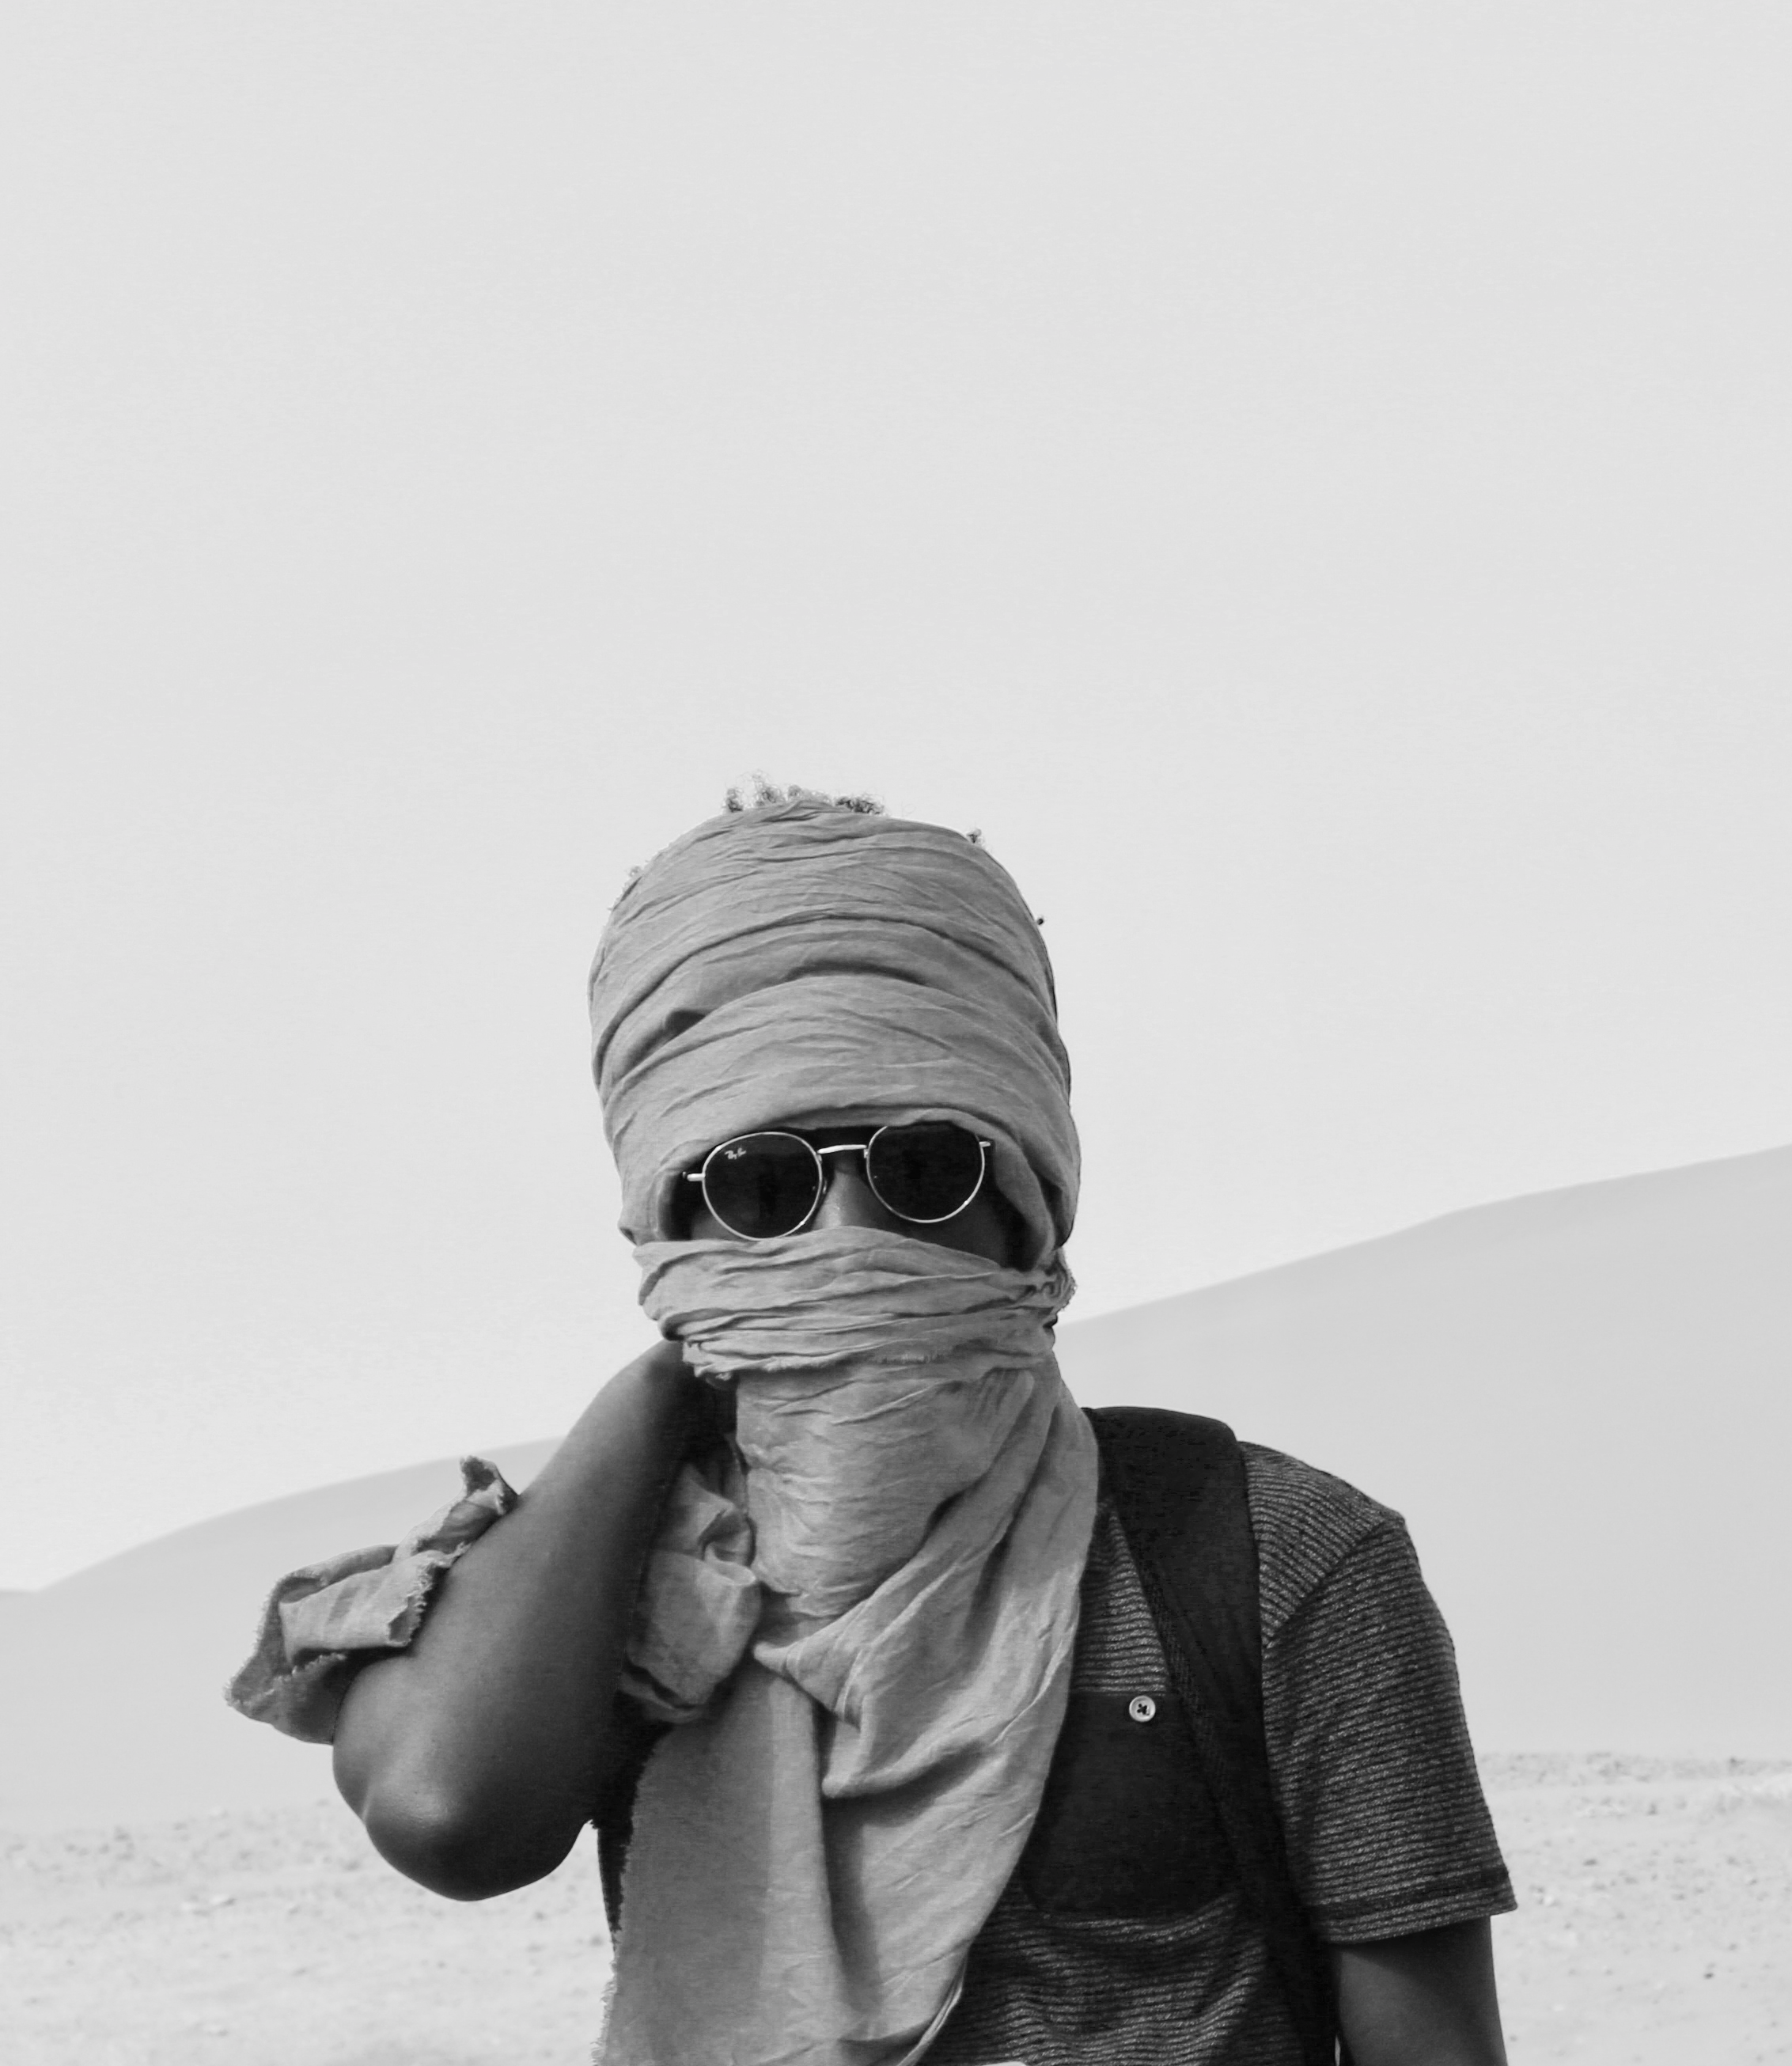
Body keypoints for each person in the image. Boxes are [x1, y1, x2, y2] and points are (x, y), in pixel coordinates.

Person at [227, 787, 1510, 2066]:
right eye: (761, 1187)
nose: (852, 1239)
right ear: (674, 1229)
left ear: (1025, 1201)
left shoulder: (1272, 1557)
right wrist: (657, 1394)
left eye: (924, 1172)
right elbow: (451, 1818)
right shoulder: (629, 1578)